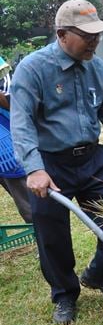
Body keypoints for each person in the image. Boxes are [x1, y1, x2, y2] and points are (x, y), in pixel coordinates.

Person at [10, 0, 103, 325]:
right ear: (61, 34)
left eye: (97, 34)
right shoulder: (33, 69)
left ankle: (101, 274)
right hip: (50, 164)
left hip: (91, 159)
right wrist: (34, 168)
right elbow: (21, 124)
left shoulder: (96, 67)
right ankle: (64, 294)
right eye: (87, 35)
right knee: (52, 233)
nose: (95, 41)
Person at [0, 56, 32, 223]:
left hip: (5, 145)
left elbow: (14, 103)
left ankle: (44, 238)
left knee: (27, 204)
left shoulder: (2, 70)